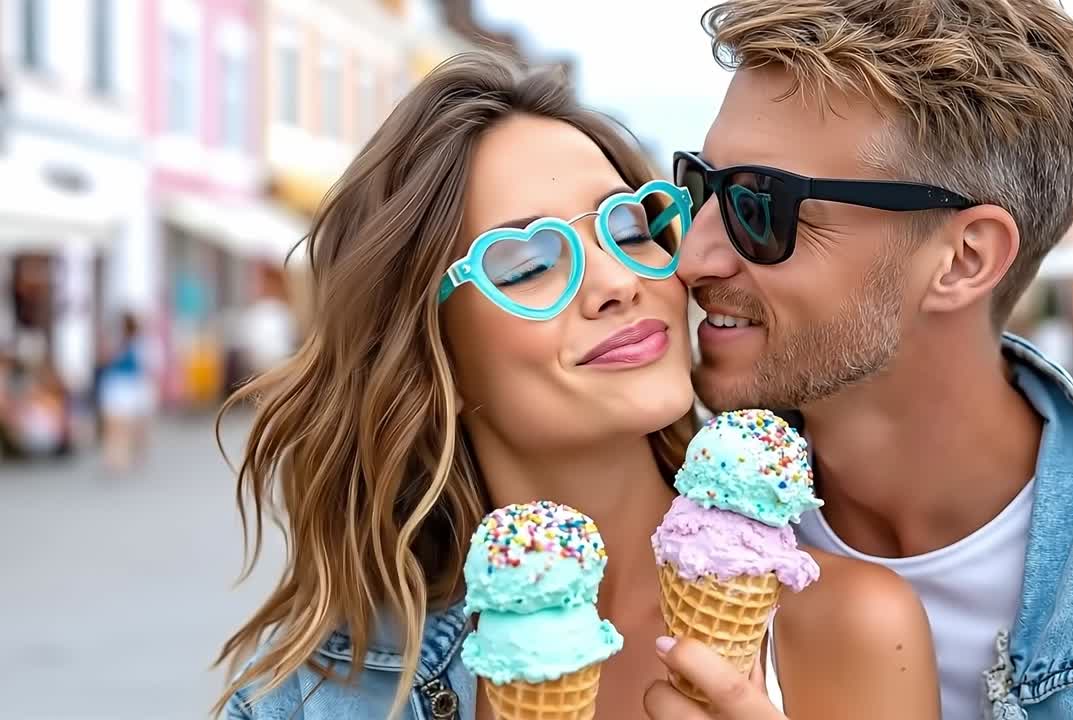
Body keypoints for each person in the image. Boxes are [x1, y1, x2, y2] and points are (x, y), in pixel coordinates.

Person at [215, 53, 940, 720]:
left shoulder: (851, 626)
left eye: (628, 228)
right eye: (528, 264)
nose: (618, 282)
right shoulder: (311, 699)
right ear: (431, 353)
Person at [656, 1, 1073, 719]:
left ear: (963, 259)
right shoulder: (657, 532)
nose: (692, 257)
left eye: (757, 205)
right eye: (701, 187)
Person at [98, 312, 154, 472]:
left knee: (117, 426)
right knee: (119, 426)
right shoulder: (130, 344)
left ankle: (117, 458)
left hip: (120, 387)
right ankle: (117, 458)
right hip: (124, 387)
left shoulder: (130, 344)